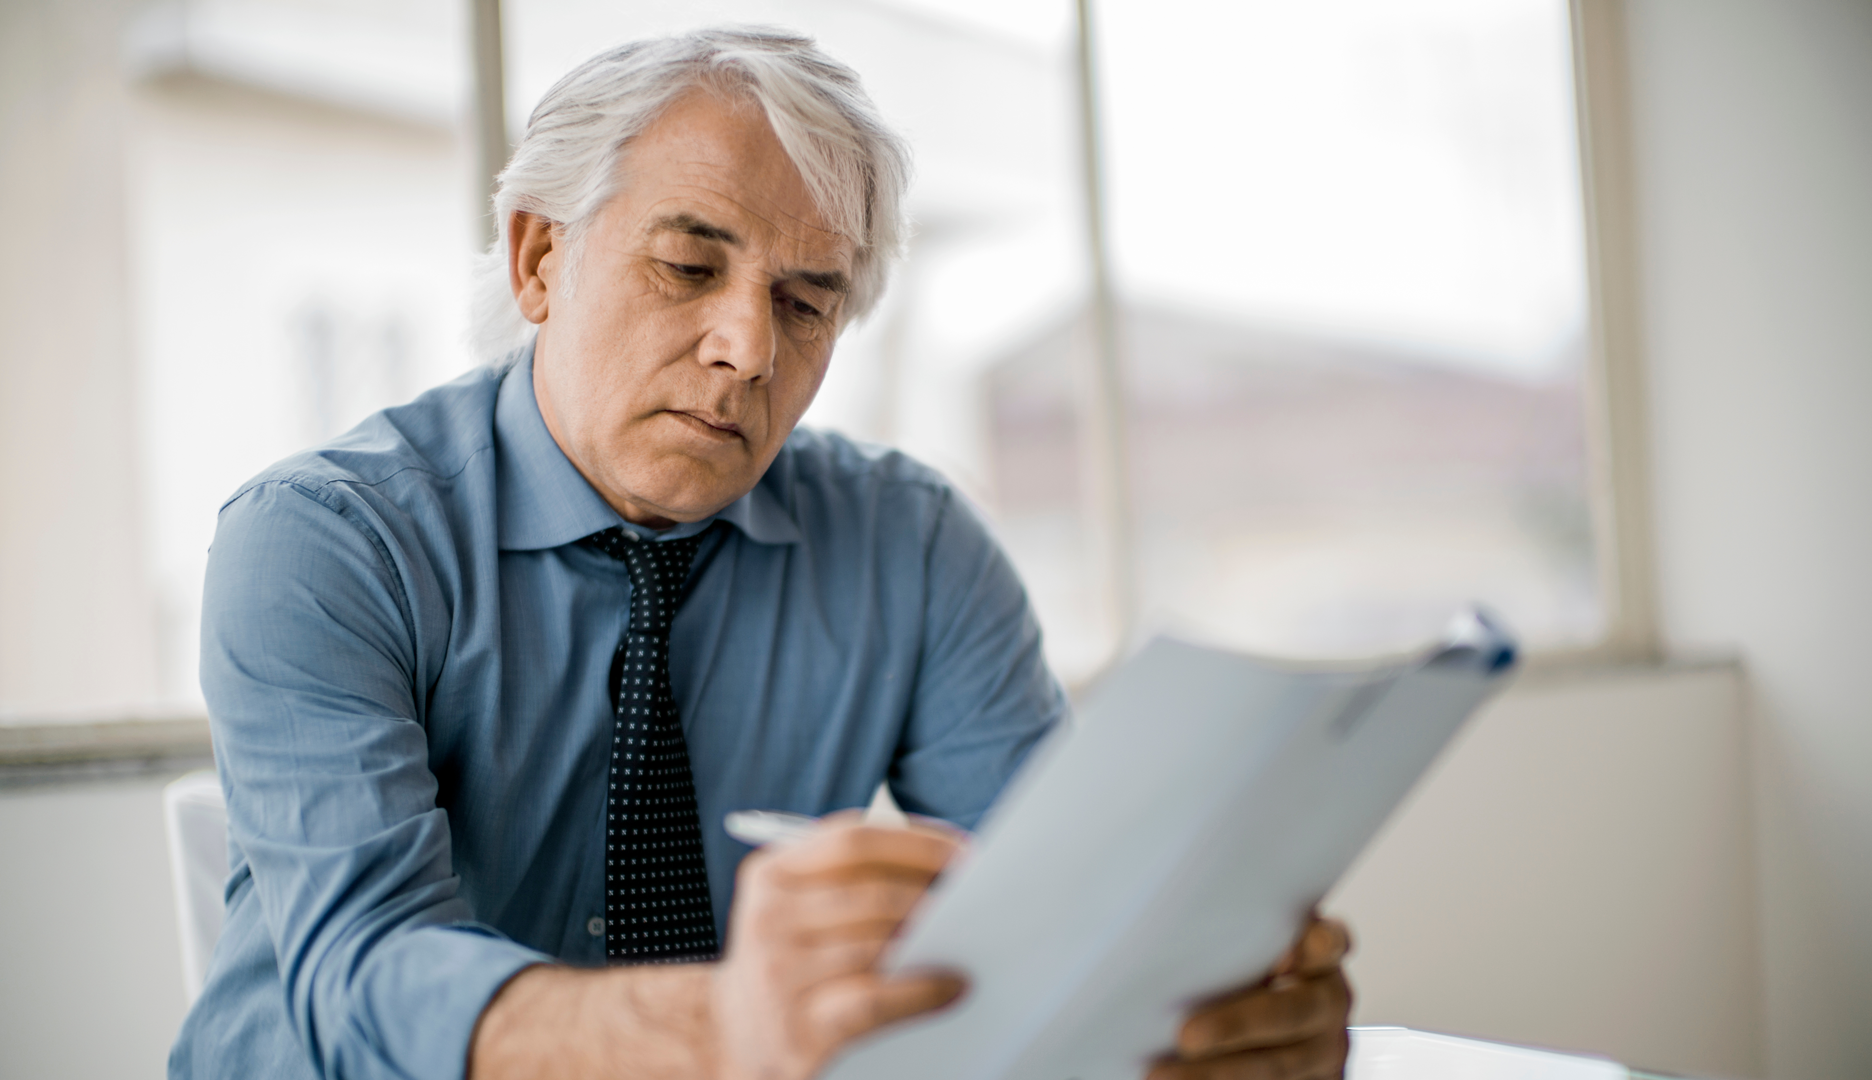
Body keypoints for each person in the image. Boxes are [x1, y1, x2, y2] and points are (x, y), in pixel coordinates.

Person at [170, 27, 1353, 1080]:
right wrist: (719, 1028)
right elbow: (365, 972)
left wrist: (1193, 1006)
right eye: (688, 266)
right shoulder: (322, 541)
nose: (745, 346)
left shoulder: (914, 545)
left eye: (805, 304)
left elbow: (1064, 902)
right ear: (538, 259)